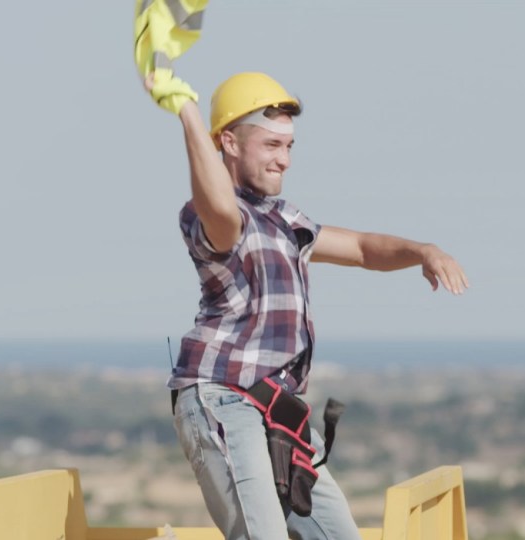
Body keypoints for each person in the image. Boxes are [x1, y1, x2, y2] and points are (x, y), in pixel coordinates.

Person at [145, 71, 470, 540]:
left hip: (277, 407)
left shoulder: (285, 219)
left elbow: (361, 248)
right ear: (229, 143)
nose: (285, 160)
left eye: (290, 146)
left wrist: (423, 250)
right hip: (223, 396)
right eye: (272, 145)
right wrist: (187, 112)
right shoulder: (210, 214)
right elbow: (220, 206)